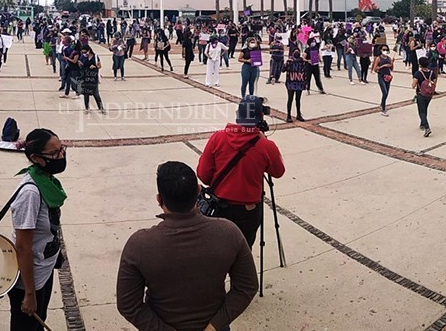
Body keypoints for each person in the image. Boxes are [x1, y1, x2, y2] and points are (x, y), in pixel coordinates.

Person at [116, 161, 258, 331]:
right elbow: (247, 287)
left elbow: (128, 305)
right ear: (198, 191)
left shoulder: (139, 244)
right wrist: (214, 326)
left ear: (159, 199)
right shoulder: (229, 233)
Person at [196, 96, 286, 247]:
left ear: (238, 115)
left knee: (218, 251)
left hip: (219, 208)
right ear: (260, 117)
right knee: (243, 252)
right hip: (248, 212)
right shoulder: (266, 146)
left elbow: (203, 175)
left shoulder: (217, 138)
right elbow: (278, 172)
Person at [8, 128, 67, 331]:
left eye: (62, 149)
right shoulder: (30, 193)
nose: (61, 156)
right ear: (35, 158)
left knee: (38, 321)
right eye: (54, 154)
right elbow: (23, 247)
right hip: (28, 281)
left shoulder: (46, 179)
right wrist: (29, 294)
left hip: (44, 270)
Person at [412, 57, 436, 138]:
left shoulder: (418, 74)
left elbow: (413, 85)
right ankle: (422, 124)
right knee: (425, 109)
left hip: (421, 94)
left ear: (420, 64)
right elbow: (434, 83)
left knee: (421, 111)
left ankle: (426, 127)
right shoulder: (432, 73)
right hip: (429, 94)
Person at [78, 45, 105, 114]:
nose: (84, 53)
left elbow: (100, 66)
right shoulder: (82, 57)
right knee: (86, 94)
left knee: (96, 93)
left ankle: (101, 108)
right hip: (85, 78)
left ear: (89, 50)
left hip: (93, 78)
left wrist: (95, 66)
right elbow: (80, 66)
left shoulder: (95, 57)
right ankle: (87, 108)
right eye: (83, 52)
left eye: (85, 52)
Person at [284, 48, 306, 122]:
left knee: (298, 99)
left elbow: (306, 71)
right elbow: (283, 70)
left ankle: (298, 114)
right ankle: (288, 115)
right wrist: (286, 63)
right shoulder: (290, 61)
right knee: (290, 99)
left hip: (299, 82)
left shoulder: (302, 61)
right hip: (291, 82)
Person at [371, 45, 394, 116]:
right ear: (380, 50)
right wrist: (383, 66)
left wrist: (392, 63)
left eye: (386, 49)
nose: (385, 51)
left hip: (388, 76)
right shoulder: (378, 58)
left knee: (387, 93)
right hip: (381, 76)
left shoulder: (389, 58)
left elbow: (392, 69)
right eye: (384, 49)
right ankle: (383, 107)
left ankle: (382, 104)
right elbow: (375, 69)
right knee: (384, 92)